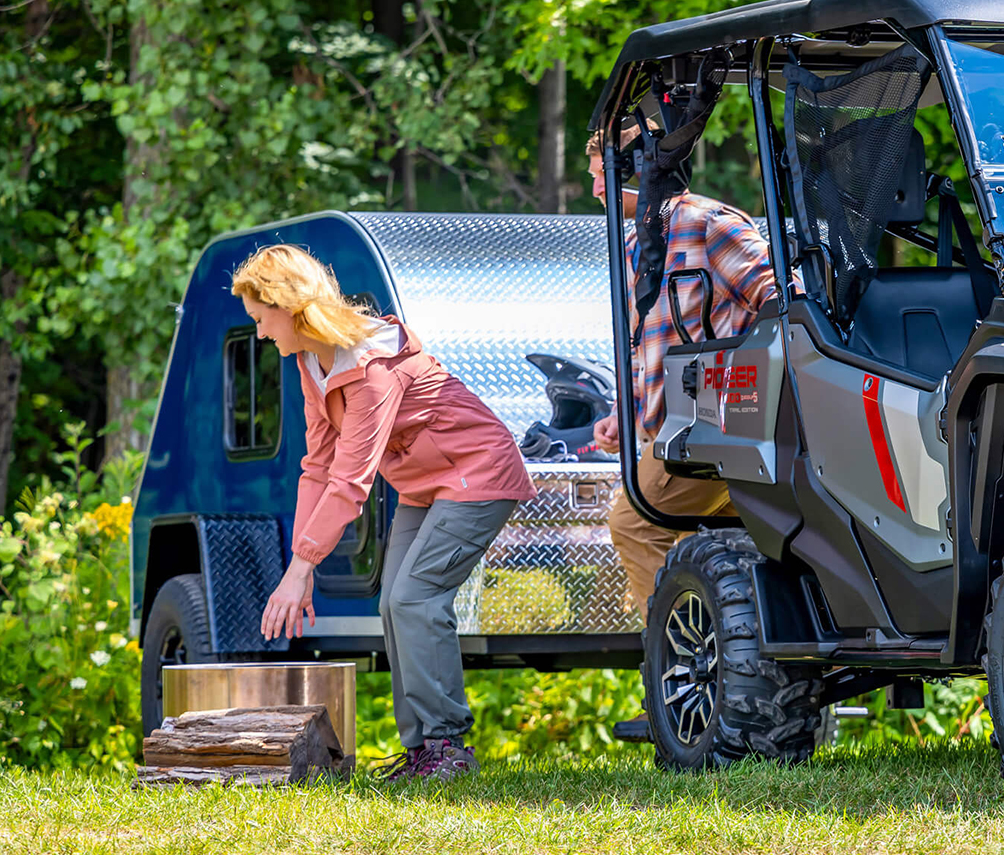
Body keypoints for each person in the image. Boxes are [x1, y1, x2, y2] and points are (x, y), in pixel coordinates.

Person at [232, 244, 536, 780]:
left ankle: (449, 748)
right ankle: (421, 750)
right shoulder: (311, 361)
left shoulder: (373, 366)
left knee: (413, 598)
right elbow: (317, 467)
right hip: (424, 486)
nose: (259, 333)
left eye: (261, 319)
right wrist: (298, 566)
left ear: (289, 305)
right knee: (393, 604)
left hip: (477, 472)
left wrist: (303, 568)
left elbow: (351, 480)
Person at [587, 125, 778, 614]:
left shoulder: (710, 224)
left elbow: (784, 299)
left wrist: (733, 379)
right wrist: (623, 413)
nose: (594, 193)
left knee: (635, 521)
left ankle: (673, 657)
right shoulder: (639, 245)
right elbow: (645, 345)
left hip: (719, 422)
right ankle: (728, 658)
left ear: (638, 173)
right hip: (670, 427)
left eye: (602, 180)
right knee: (717, 554)